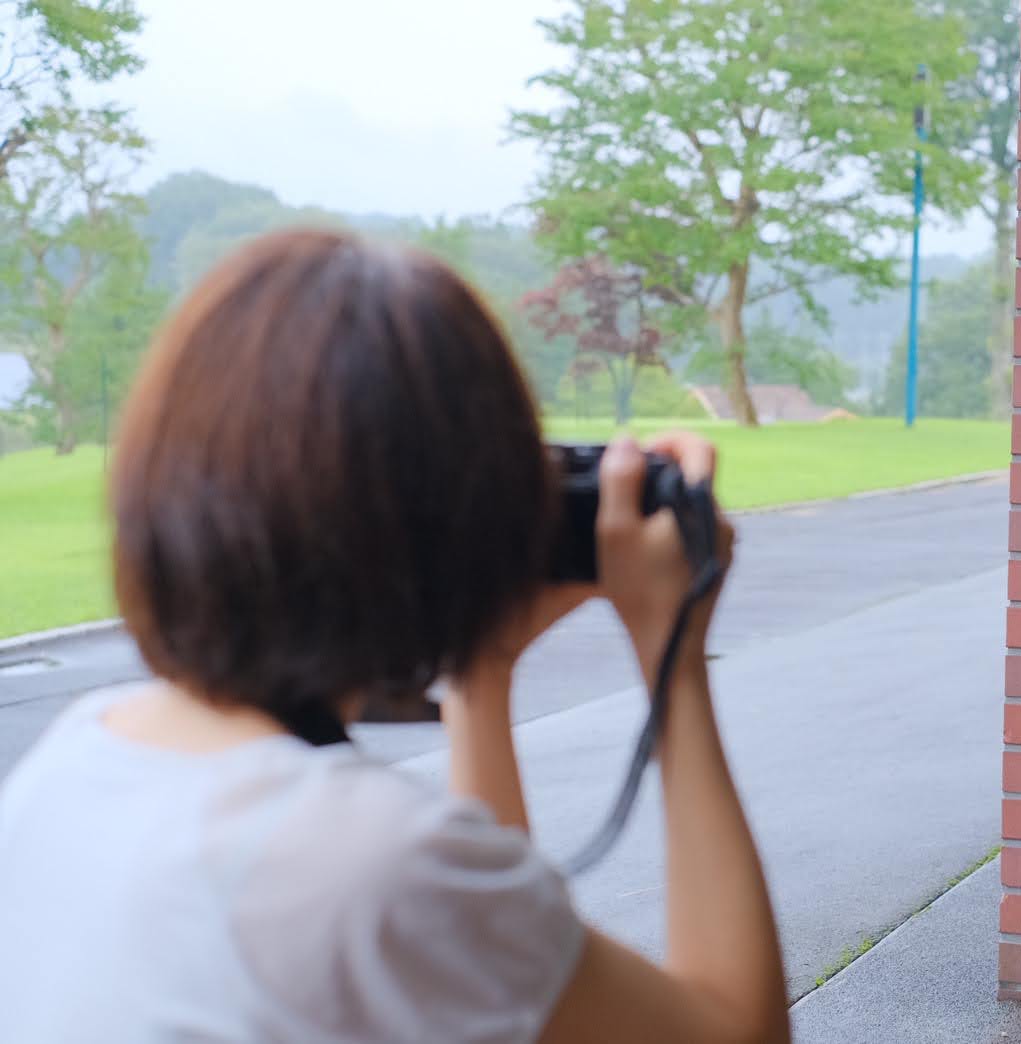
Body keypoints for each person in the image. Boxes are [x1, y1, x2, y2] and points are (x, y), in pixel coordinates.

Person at [0, 229, 790, 1044]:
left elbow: (488, 1002)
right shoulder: (368, 867)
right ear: (464, 518)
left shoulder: (74, 759)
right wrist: (674, 655)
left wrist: (483, 668)